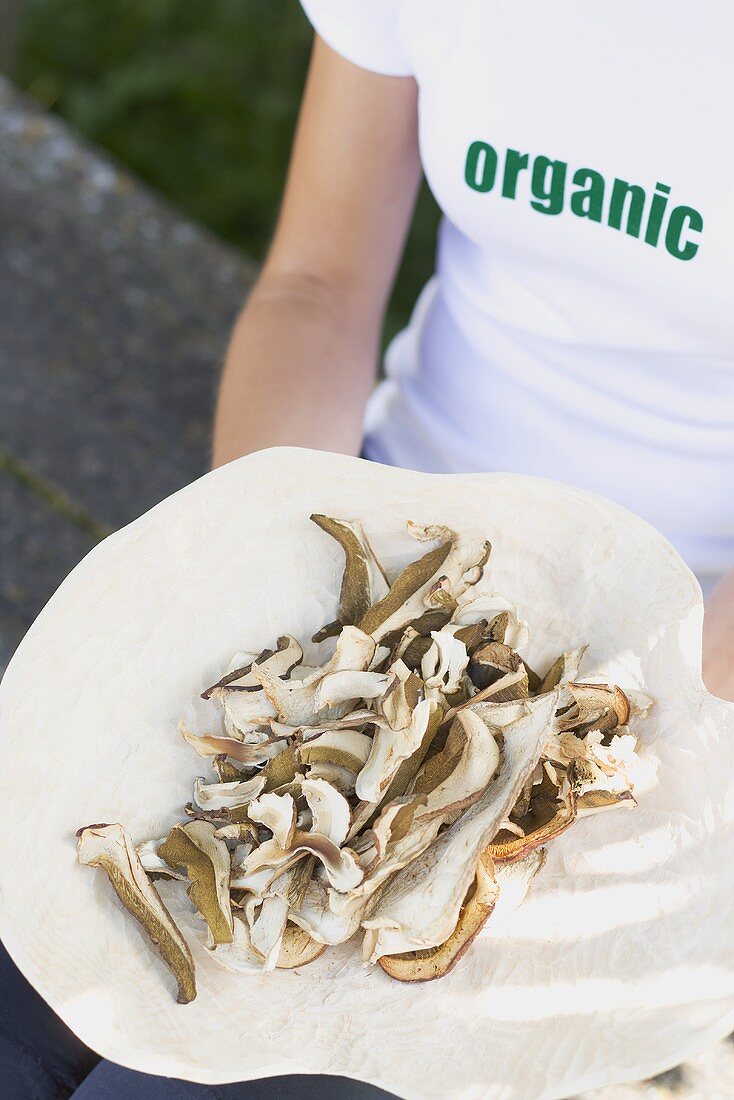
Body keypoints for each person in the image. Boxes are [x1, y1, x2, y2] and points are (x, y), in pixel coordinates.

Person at [3, 3, 733, 1097]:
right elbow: (316, 284)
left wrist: (613, 749)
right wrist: (253, 571)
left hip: (670, 684)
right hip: (389, 571)